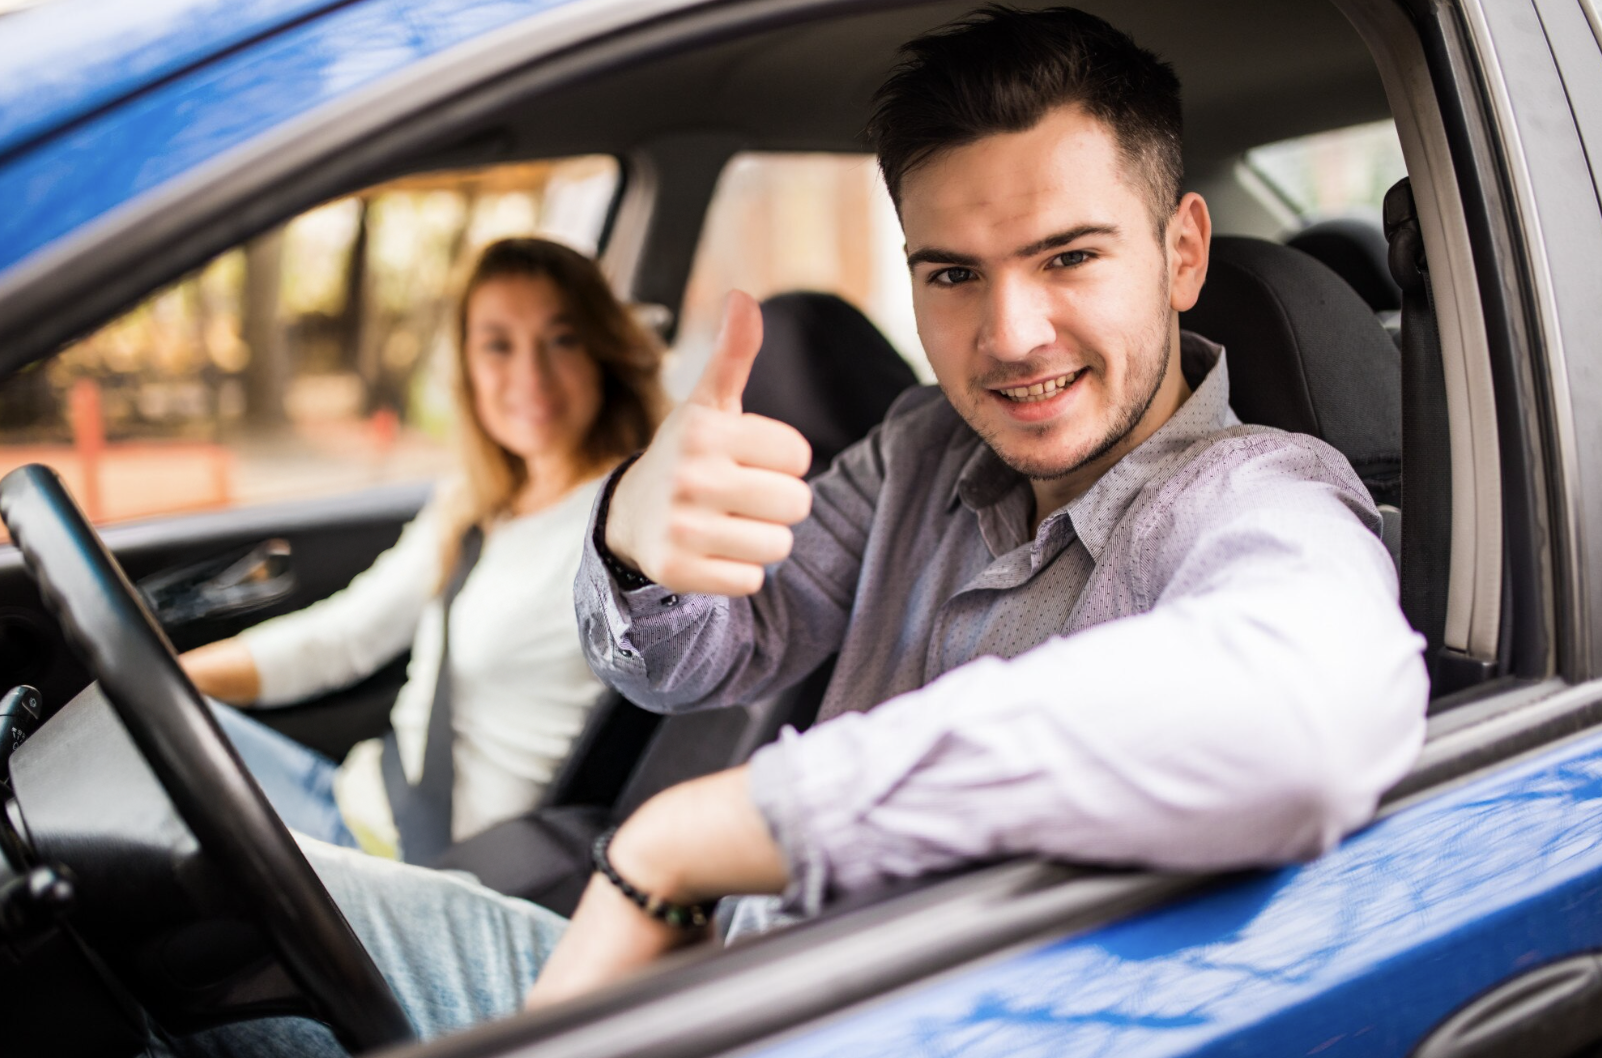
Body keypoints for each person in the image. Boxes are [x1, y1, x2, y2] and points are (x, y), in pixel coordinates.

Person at [172, 7, 1428, 1054]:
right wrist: (632, 542)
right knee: (186, 899)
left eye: (1069, 256)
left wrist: (703, 833)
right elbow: (699, 661)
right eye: (951, 273)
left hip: (826, 1014)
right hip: (706, 969)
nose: (1012, 334)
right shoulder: (920, 445)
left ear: (1182, 252)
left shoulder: (1257, 498)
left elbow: (1305, 718)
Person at [179, 237, 667, 863]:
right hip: (355, 800)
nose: (530, 375)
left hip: (422, 864)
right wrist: (175, 679)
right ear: (465, 365)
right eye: (498, 344)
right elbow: (345, 637)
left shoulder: (625, 516)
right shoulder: (475, 503)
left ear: (604, 351)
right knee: (135, 738)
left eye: (562, 338)